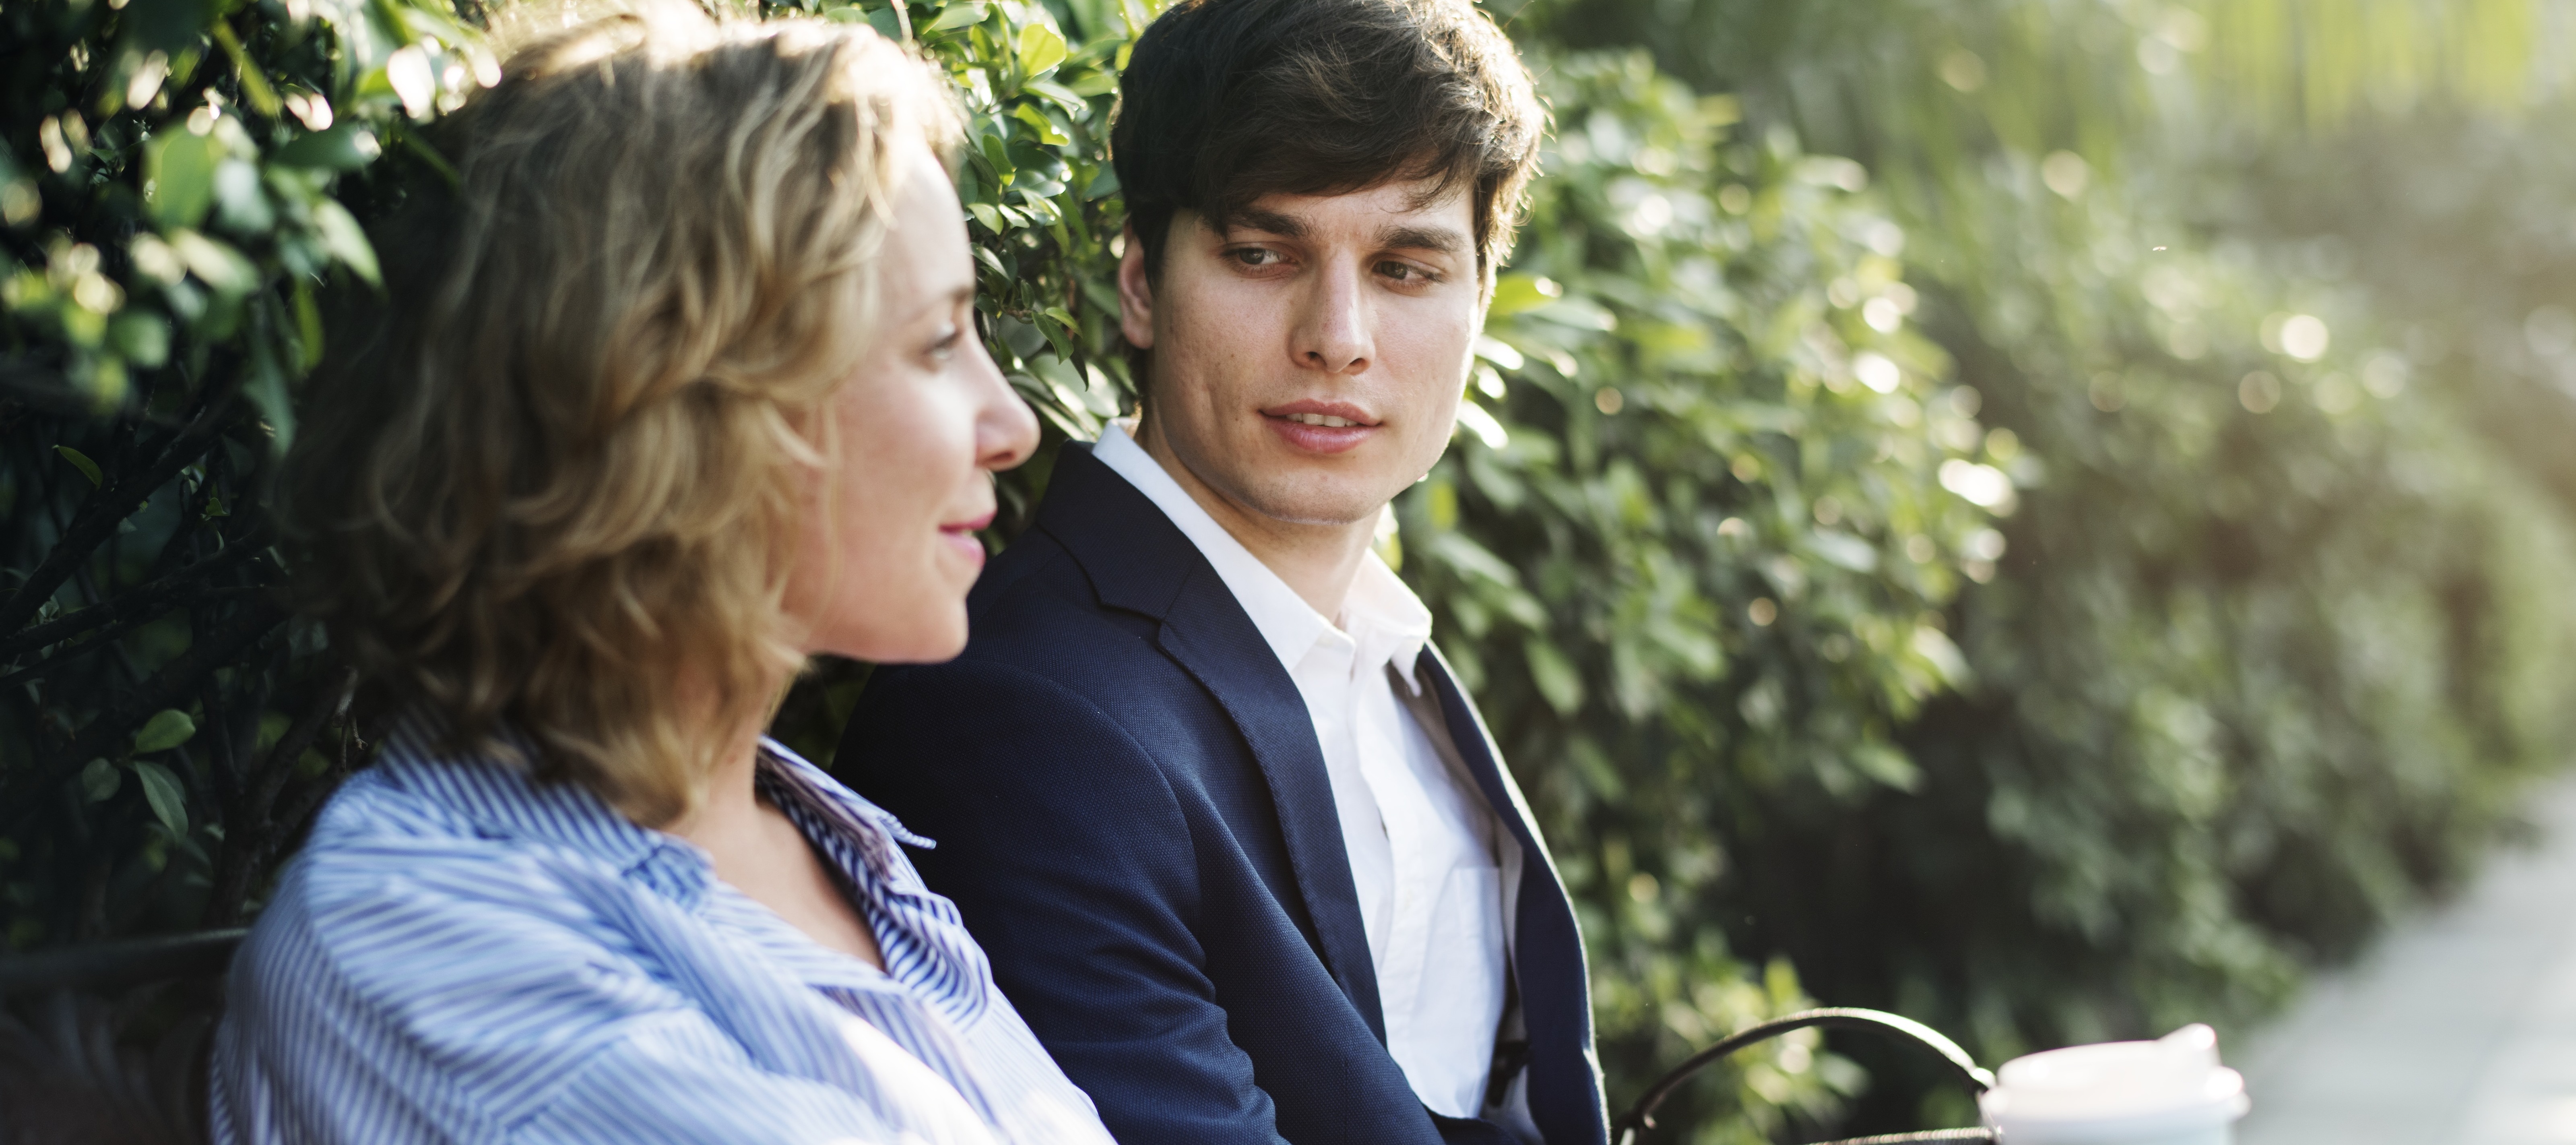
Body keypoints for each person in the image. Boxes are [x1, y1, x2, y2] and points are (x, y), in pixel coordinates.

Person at [208, 12, 1117, 1144]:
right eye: (939, 343)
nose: (1015, 423)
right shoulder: (434, 943)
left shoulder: (829, 844)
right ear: (682, 408)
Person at [838, 1, 1608, 1142]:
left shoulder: (1395, 663)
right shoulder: (1022, 723)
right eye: (1263, 252)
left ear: (1479, 301)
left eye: (1405, 268)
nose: (1337, 335)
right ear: (1141, 283)